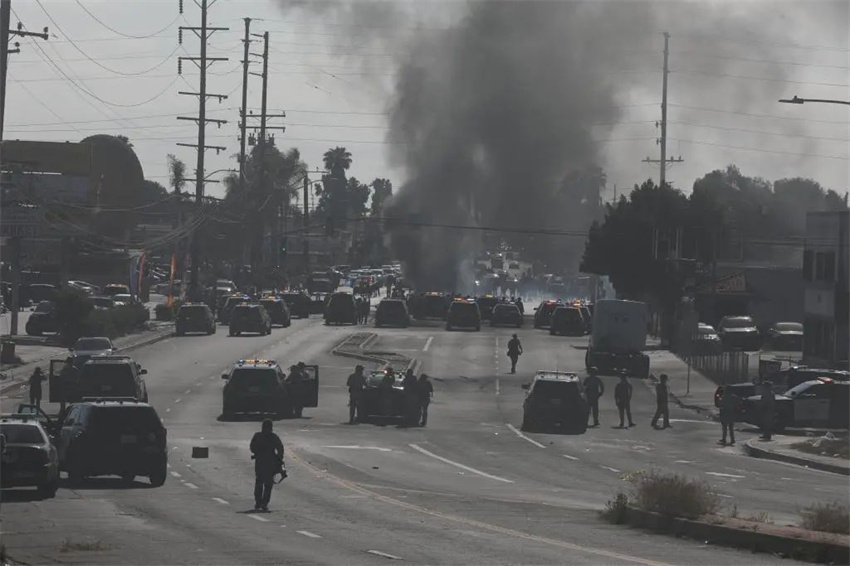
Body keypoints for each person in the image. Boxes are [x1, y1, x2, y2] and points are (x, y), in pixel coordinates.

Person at [249, 419, 284, 512]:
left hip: (264, 462)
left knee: (263, 483)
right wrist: (279, 458)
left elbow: (252, 447)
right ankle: (262, 502)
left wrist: (278, 459)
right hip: (267, 462)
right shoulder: (272, 437)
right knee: (264, 483)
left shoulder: (259, 436)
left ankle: (261, 502)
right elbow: (280, 449)